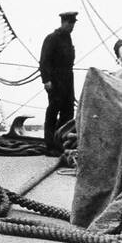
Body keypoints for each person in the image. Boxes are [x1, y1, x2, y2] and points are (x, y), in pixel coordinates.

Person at [39, 11, 77, 153]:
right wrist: (46, 80)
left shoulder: (68, 39)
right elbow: (44, 61)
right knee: (53, 111)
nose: (72, 27)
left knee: (68, 111)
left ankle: (61, 142)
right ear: (64, 23)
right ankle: (50, 145)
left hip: (68, 79)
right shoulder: (52, 38)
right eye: (70, 24)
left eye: (73, 24)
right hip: (55, 79)